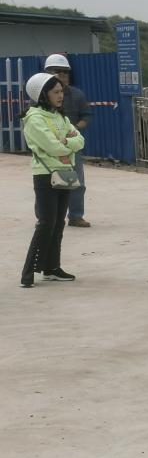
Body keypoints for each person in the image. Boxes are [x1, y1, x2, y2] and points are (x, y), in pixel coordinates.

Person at [20, 72, 84, 287]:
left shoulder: (60, 117)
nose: (61, 95)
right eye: (56, 92)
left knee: (58, 223)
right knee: (46, 223)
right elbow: (52, 146)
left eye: (61, 91)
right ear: (42, 94)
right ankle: (27, 273)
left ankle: (51, 268)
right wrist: (66, 143)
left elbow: (80, 141)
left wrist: (64, 142)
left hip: (64, 173)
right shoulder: (35, 118)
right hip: (45, 175)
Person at [42, 54, 92, 227]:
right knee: (47, 183)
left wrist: (75, 129)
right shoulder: (40, 98)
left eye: (65, 71)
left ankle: (76, 216)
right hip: (49, 147)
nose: (62, 75)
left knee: (77, 182)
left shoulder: (77, 95)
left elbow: (86, 116)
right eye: (57, 71)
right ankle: (45, 218)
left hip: (71, 147)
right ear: (47, 73)